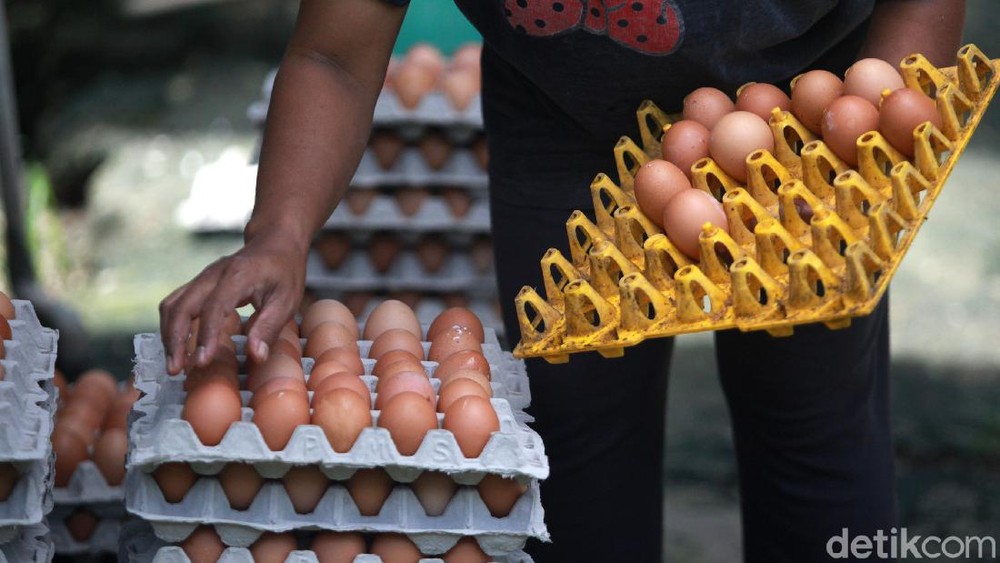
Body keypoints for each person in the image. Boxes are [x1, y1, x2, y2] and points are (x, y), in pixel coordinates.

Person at [159, 1, 965, 560]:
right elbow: (333, 52)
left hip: (804, 106)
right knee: (573, 442)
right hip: (564, 109)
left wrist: (867, 130)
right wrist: (279, 233)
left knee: (812, 414)